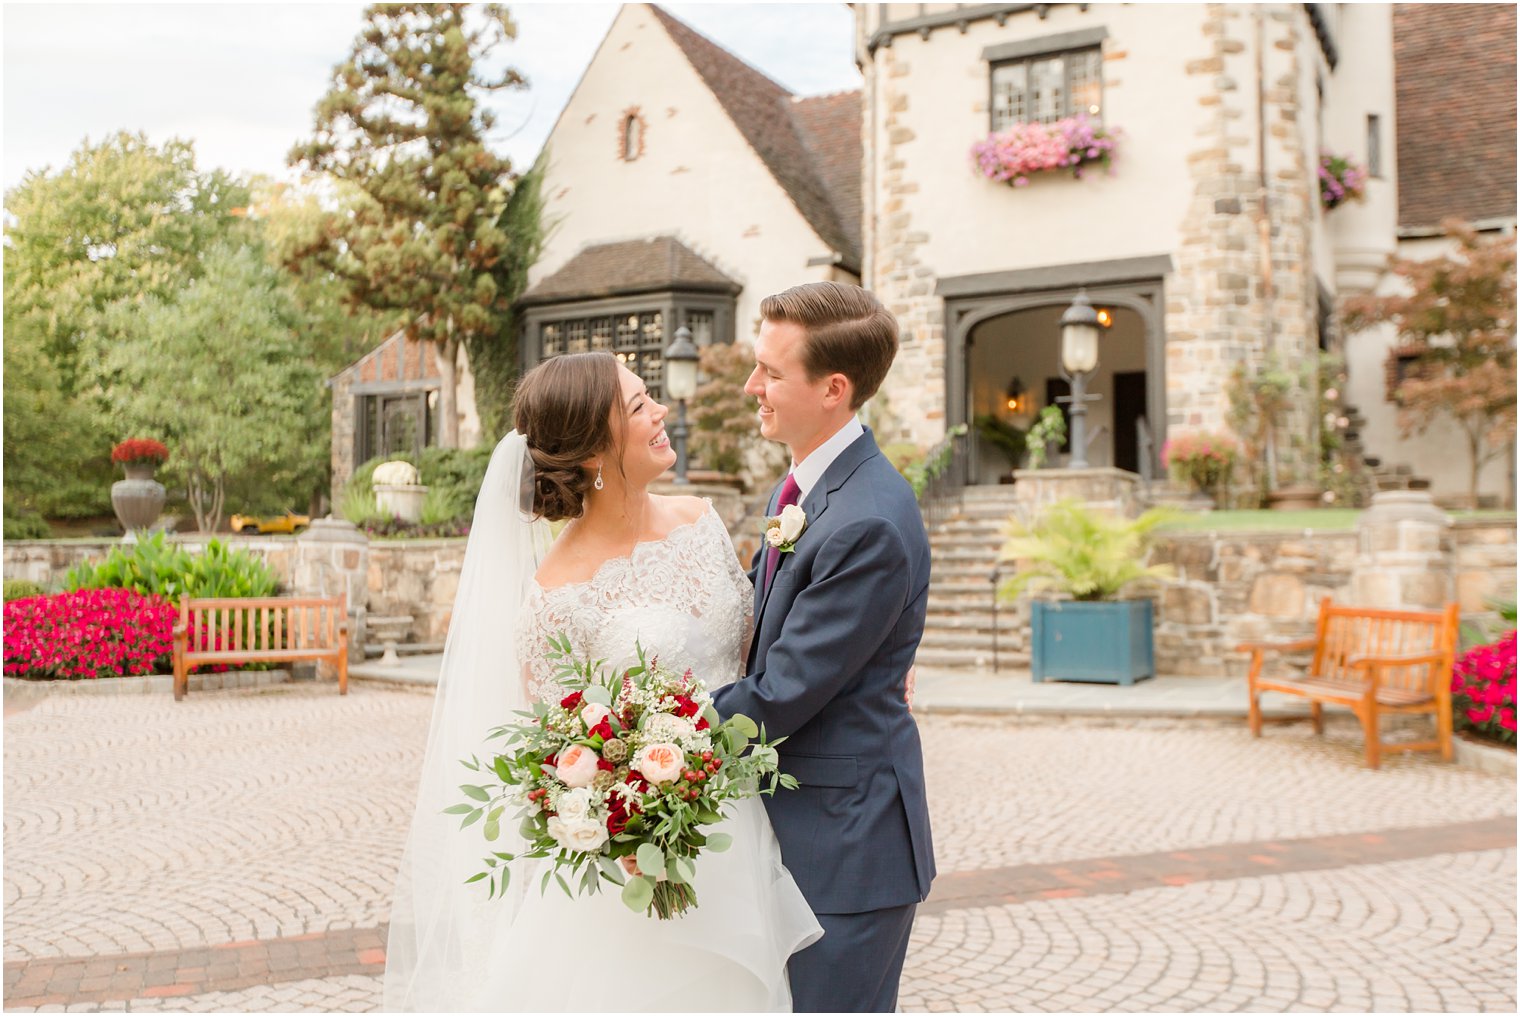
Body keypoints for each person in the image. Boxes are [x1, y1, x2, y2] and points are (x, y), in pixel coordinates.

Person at [383, 351, 821, 1013]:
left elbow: (762, 657)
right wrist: (632, 820)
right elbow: (561, 761)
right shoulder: (555, 599)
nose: (662, 412)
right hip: (643, 869)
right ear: (592, 446)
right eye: (639, 405)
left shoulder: (701, 522)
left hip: (746, 826)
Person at [712, 281, 936, 1013]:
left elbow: (778, 695)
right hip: (802, 828)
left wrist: (637, 739)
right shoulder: (811, 488)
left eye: (771, 373)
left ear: (834, 389)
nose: (753, 386)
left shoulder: (865, 519)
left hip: (845, 851)